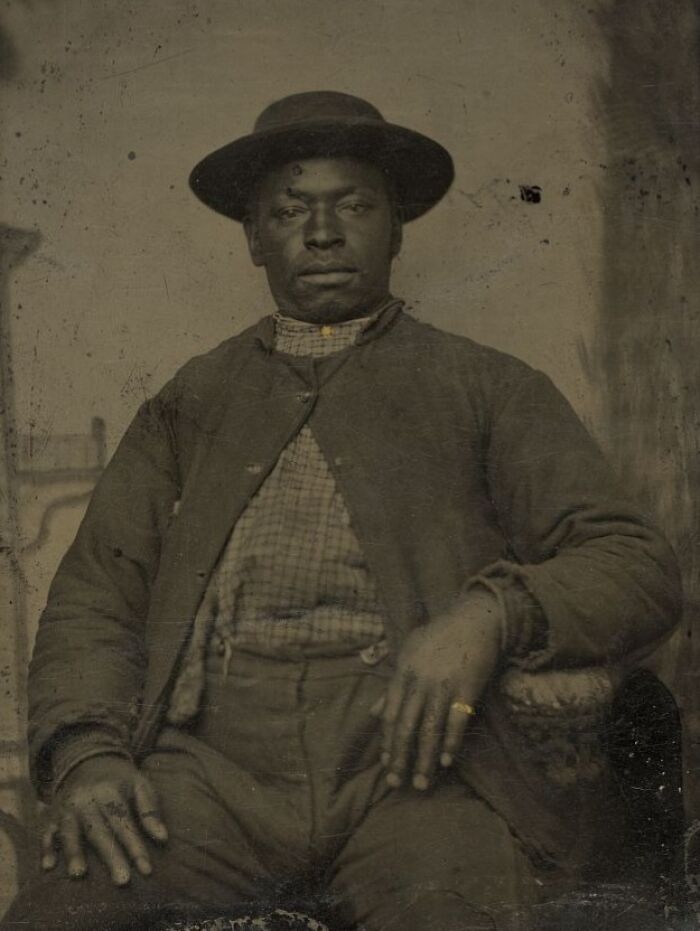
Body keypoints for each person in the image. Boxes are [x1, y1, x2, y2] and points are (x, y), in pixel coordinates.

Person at [1, 91, 681, 931]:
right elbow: (94, 595)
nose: (321, 233)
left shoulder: (489, 387)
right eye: (289, 210)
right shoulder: (191, 400)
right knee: (59, 912)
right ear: (254, 237)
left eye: (354, 205)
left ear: (396, 226)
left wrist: (491, 613)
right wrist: (86, 756)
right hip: (210, 775)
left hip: (418, 778)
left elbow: (635, 564)